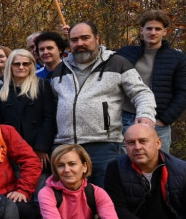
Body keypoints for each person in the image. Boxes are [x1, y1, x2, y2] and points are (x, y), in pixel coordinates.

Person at [49, 21, 156, 186]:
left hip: (103, 147)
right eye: (74, 40)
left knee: (106, 198)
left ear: (97, 38)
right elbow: (50, 108)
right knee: (70, 202)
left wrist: (146, 115)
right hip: (65, 148)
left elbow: (141, 92)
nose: (80, 44)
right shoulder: (59, 69)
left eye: (85, 38)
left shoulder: (117, 63)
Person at [116, 10, 186, 153]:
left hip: (157, 121)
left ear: (165, 32)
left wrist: (164, 120)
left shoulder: (177, 59)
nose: (153, 32)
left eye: (158, 29)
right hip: (125, 119)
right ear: (142, 31)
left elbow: (185, 92)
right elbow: (97, 57)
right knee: (124, 167)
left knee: (158, 166)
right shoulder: (125, 53)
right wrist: (67, 39)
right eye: (149, 28)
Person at [0, 49, 57, 170]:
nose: (21, 67)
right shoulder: (2, 89)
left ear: (31, 66)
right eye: (17, 64)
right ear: (10, 66)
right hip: (10, 149)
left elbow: (50, 118)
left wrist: (41, 147)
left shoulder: (42, 85)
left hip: (37, 148)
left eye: (25, 64)